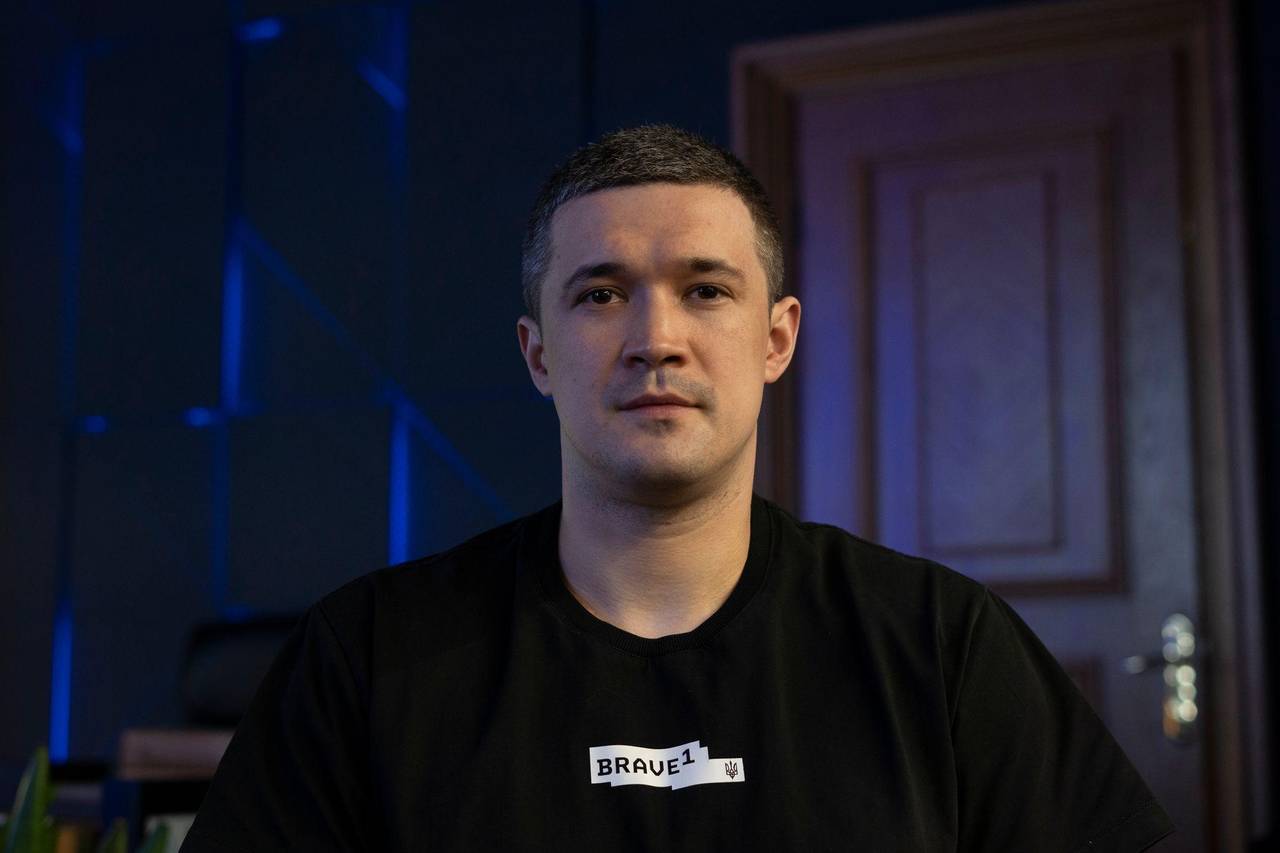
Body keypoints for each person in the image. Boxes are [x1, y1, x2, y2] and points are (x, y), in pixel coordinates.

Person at [181, 125, 1173, 851]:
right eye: (600, 294)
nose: (655, 338)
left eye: (705, 290)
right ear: (537, 353)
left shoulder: (939, 643)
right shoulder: (367, 657)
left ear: (776, 337)